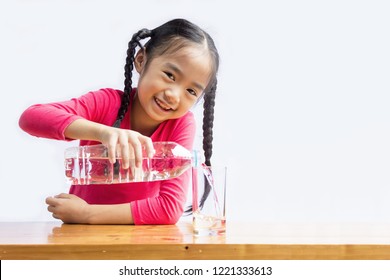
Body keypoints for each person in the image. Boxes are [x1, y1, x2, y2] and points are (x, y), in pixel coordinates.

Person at [19, 18, 219, 225]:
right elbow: (31, 118)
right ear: (141, 60)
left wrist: (87, 214)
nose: (174, 95)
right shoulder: (106, 103)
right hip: (82, 240)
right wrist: (103, 133)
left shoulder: (181, 124)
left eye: (191, 91)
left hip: (139, 243)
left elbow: (168, 209)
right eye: (169, 75)